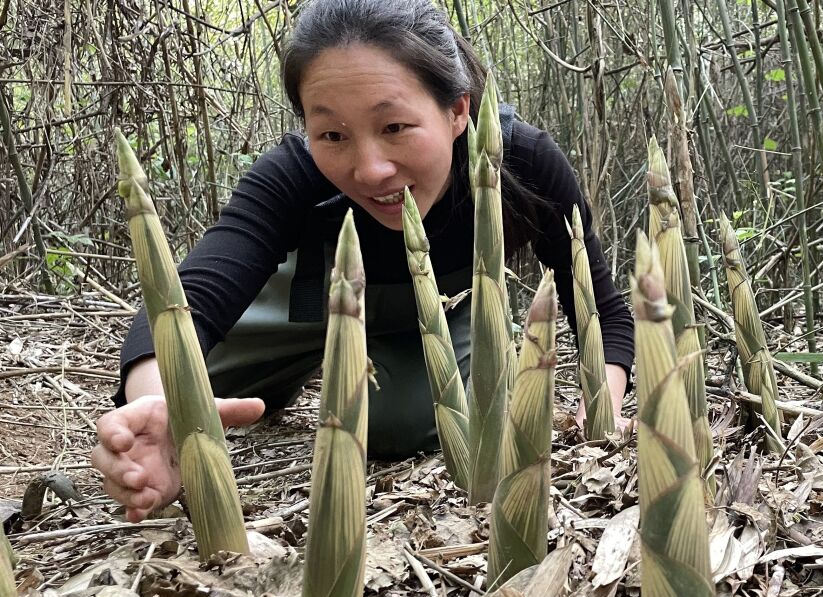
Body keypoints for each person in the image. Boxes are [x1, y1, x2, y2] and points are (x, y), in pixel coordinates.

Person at [92, 0, 634, 522]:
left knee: (417, 426)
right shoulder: (295, 172)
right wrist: (155, 408)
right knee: (193, 377)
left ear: (457, 109)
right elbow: (186, 301)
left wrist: (599, 411)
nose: (370, 169)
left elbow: (604, 311)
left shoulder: (519, 160)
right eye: (332, 134)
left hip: (434, 319)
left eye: (395, 126)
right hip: (306, 308)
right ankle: (279, 378)